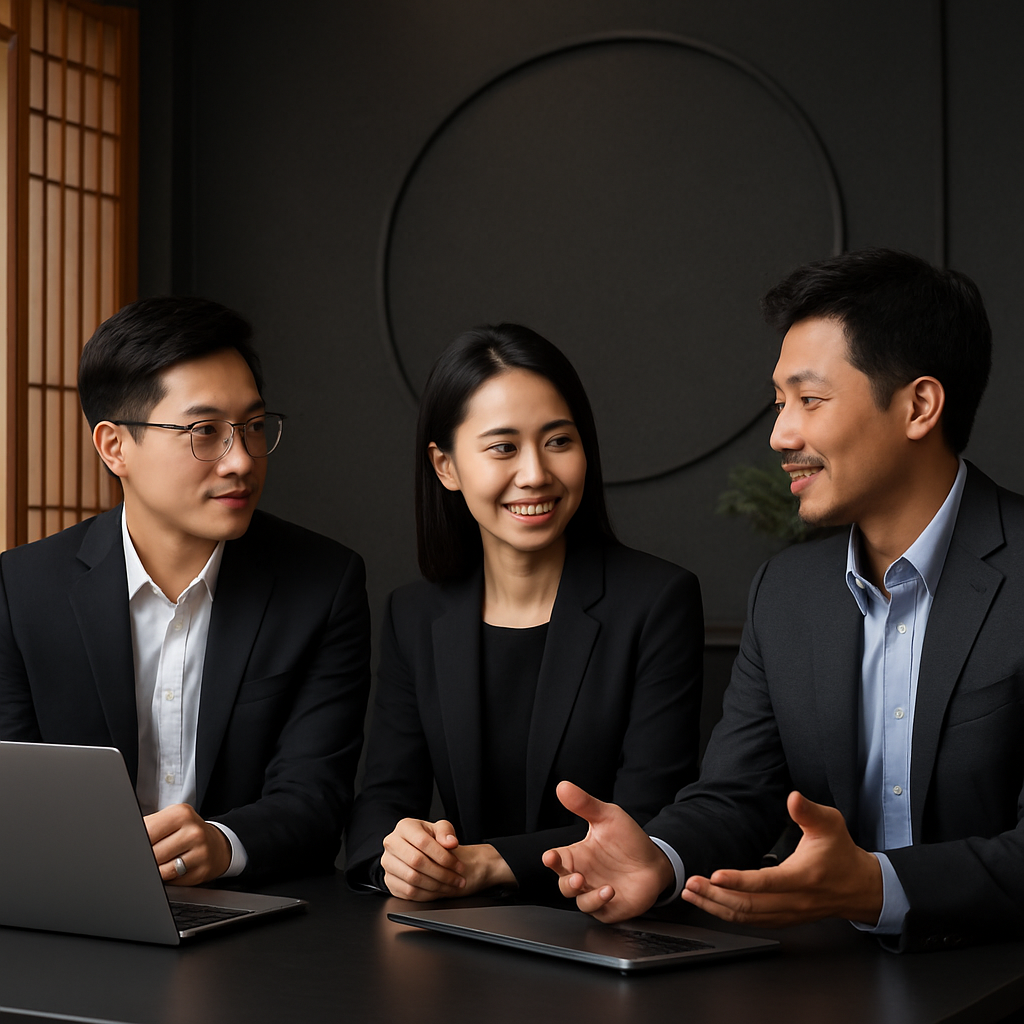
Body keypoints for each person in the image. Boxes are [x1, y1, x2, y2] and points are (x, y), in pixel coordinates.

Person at [543, 248, 1024, 952]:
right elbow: (739, 791)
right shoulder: (789, 591)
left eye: (810, 400)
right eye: (779, 403)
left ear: (919, 405)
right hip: (832, 984)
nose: (780, 435)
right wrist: (661, 857)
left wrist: (878, 885)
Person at [0, 297, 371, 885]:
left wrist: (224, 845)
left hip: (258, 919)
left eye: (252, 427)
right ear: (114, 446)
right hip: (73, 904)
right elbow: (12, 796)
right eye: (206, 432)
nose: (241, 461)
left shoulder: (322, 584)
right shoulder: (21, 590)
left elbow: (316, 795)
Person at [345, 323, 703, 899]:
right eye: (503, 447)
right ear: (446, 467)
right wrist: (399, 853)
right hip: (454, 938)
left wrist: (484, 864)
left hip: (603, 930)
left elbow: (646, 819)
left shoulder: (658, 601)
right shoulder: (414, 614)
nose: (535, 473)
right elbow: (383, 798)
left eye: (559, 441)